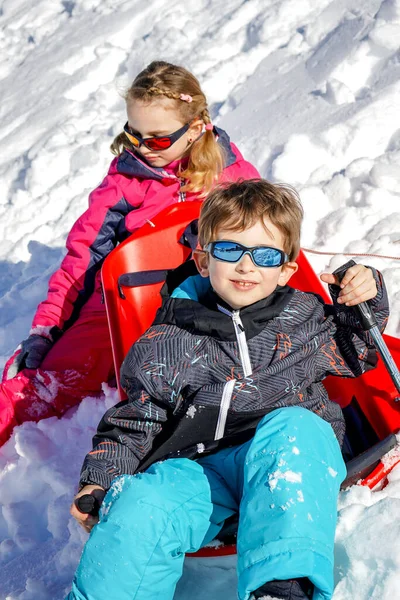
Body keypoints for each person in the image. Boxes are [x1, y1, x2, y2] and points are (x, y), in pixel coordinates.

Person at [66, 179, 389, 600]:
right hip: (204, 472)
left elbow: (358, 351)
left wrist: (364, 294)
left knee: (297, 426)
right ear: (203, 260)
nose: (246, 266)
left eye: (265, 255)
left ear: (286, 269)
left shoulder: (305, 318)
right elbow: (134, 423)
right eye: (230, 250)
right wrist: (100, 480)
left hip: (288, 465)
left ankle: (281, 589)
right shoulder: (165, 343)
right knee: (143, 502)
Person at [0, 60, 259, 447]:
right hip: (119, 304)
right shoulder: (125, 179)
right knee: (51, 381)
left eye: (155, 138)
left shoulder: (233, 177)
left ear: (193, 128)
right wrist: (47, 328)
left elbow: (269, 241)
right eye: (132, 134)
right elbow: (82, 257)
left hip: (203, 305)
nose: (141, 147)